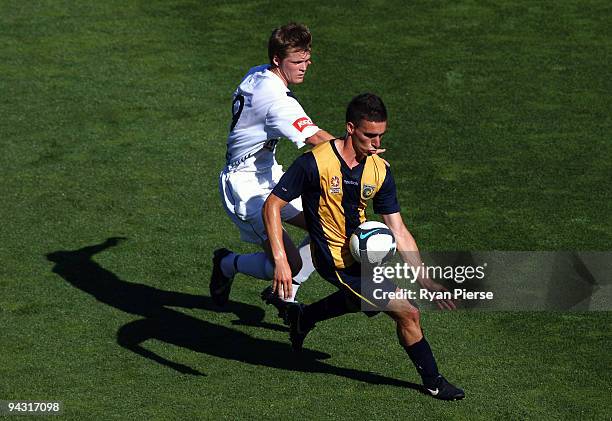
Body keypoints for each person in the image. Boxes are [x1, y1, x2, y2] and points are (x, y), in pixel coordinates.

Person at [263, 93, 465, 401]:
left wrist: (423, 277)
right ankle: (433, 381)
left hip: (363, 256)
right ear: (350, 128)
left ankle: (303, 317)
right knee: (408, 313)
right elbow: (272, 205)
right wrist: (280, 259)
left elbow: (397, 227)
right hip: (333, 260)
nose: (376, 142)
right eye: (370, 135)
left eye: (381, 135)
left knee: (365, 299)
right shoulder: (314, 163)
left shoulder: (379, 170)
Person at [210, 23, 335, 315]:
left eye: (307, 60)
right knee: (288, 264)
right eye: (297, 62)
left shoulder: (258, 72)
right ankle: (227, 263)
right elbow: (317, 140)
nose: (305, 67)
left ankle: (286, 295)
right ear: (278, 60)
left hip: (269, 174)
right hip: (245, 189)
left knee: (329, 223)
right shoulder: (277, 103)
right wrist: (361, 151)